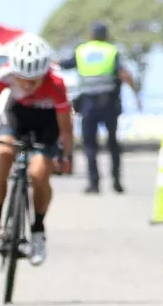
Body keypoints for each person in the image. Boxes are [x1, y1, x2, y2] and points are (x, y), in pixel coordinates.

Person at [0, 33, 73, 266]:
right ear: (14, 71)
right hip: (16, 117)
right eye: (23, 79)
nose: (28, 85)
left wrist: (64, 155)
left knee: (39, 172)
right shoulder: (3, 75)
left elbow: (66, 129)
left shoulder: (57, 84)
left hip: (47, 123)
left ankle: (37, 231)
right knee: (3, 154)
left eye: (34, 80)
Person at [57, 22, 140, 194]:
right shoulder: (111, 51)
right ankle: (116, 181)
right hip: (109, 103)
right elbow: (124, 74)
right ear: (106, 35)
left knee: (89, 145)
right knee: (113, 144)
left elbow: (63, 64)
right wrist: (136, 95)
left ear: (90, 34)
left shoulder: (82, 51)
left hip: (88, 104)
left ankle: (94, 184)